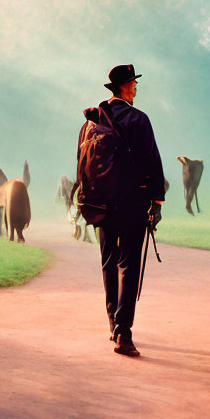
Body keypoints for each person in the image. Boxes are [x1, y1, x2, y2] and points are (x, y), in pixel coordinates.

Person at [85, 64, 164, 357]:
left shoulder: (94, 119)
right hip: (132, 204)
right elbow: (153, 163)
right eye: (134, 84)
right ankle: (123, 333)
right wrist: (156, 202)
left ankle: (112, 323)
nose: (136, 89)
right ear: (126, 87)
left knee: (108, 262)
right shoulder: (138, 120)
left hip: (102, 203)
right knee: (129, 266)